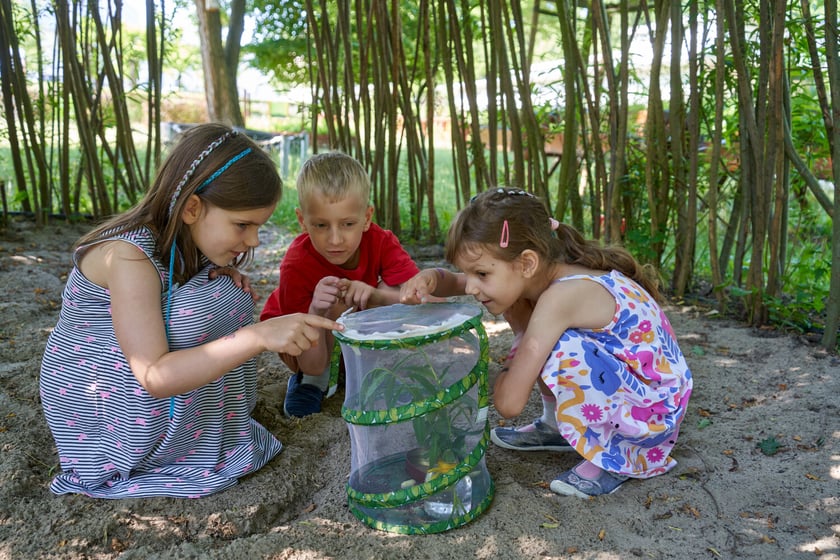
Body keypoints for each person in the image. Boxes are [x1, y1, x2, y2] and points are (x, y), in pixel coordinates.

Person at [39, 123, 342, 499]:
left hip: (136, 387)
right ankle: (166, 451)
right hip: (102, 407)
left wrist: (214, 280)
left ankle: (205, 433)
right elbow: (153, 374)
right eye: (242, 225)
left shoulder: (184, 240)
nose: (253, 240)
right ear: (193, 207)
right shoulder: (128, 256)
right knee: (209, 305)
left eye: (257, 226)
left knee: (222, 293)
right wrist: (256, 337)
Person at [400, 187, 693, 499]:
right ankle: (557, 426)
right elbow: (464, 282)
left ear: (527, 263)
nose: (471, 286)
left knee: (555, 344)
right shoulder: (543, 272)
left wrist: (500, 368)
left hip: (652, 416)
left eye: (481, 273)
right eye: (466, 272)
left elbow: (509, 404)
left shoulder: (559, 297)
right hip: (639, 389)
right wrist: (433, 277)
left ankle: (617, 455)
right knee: (517, 305)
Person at [260, 152, 420, 417]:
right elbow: (309, 359)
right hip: (306, 350)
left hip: (356, 334)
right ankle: (312, 385)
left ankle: (367, 369)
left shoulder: (380, 242)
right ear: (302, 221)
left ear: (367, 217)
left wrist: (375, 295)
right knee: (334, 298)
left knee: (391, 293)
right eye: (321, 225)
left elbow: (417, 299)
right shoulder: (296, 264)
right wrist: (316, 311)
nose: (335, 239)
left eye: (347, 224)